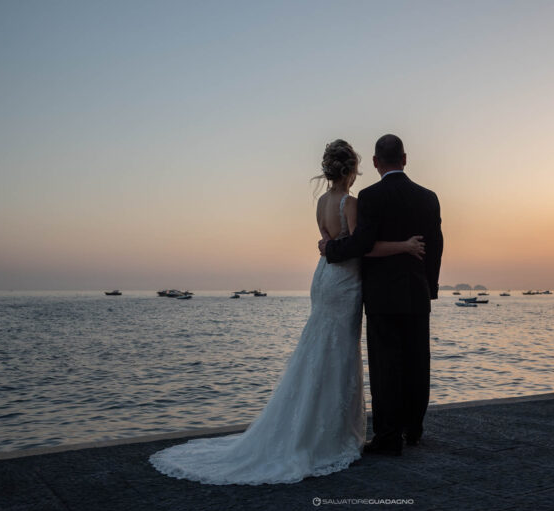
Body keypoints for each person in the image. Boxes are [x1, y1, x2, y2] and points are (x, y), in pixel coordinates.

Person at [149, 139, 425, 485]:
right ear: (351, 169)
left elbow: (328, 244)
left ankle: (309, 427)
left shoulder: (321, 202)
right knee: (339, 352)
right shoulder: (351, 203)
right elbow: (361, 248)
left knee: (320, 348)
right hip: (345, 284)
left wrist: (333, 247)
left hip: (324, 279)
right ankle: (329, 434)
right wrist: (405, 245)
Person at [320, 134, 443, 456]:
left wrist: (329, 248)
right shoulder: (429, 197)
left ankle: (388, 437)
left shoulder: (370, 196)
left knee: (386, 364)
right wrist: (430, 287)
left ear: (376, 162)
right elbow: (436, 246)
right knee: (417, 363)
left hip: (382, 295)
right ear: (405, 158)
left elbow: (362, 244)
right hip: (417, 292)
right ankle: (413, 430)